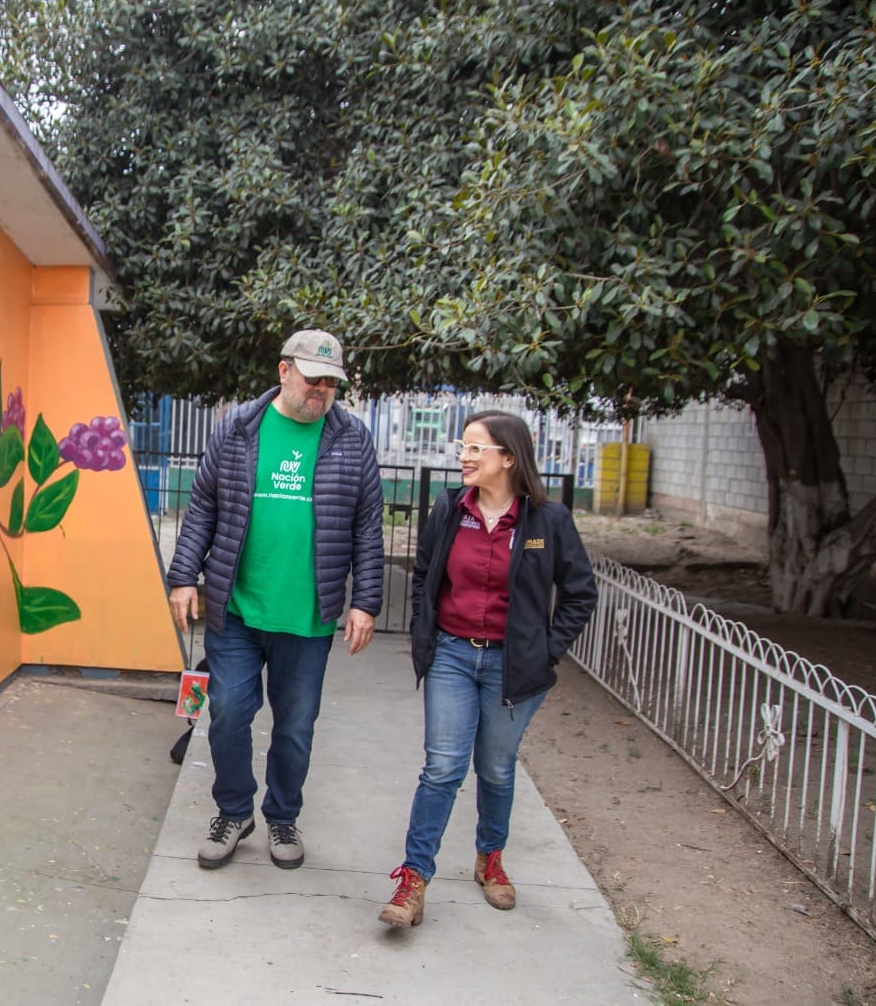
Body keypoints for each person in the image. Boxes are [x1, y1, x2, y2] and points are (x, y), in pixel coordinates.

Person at [167, 329, 384, 871]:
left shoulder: (353, 439)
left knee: (295, 726)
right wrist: (183, 576)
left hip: (308, 618)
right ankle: (234, 810)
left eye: (331, 383)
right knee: (228, 714)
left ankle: (283, 815)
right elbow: (202, 509)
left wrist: (367, 602)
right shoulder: (238, 428)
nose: (322, 391)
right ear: (284, 370)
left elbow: (367, 526)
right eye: (314, 379)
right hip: (236, 609)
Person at [380, 410, 597, 928]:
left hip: (514, 664)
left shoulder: (548, 521)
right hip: (453, 654)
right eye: (464, 447)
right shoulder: (449, 510)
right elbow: (425, 574)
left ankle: (490, 859)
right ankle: (414, 878)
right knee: (442, 767)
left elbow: (580, 592)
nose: (465, 457)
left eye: (477, 448)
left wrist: (548, 649)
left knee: (496, 767)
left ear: (508, 457)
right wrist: (423, 630)